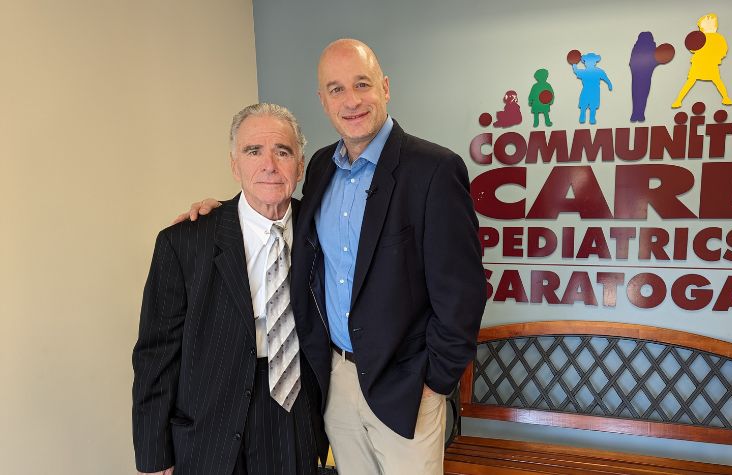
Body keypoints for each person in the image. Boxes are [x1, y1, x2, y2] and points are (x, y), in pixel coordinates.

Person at [179, 39, 487, 475]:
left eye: (362, 84)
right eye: (336, 89)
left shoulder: (433, 169)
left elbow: (463, 293)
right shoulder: (322, 167)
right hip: (336, 378)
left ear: (385, 87)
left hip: (405, 383)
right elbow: (281, 215)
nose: (351, 100)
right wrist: (220, 214)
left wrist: (435, 381)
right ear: (323, 101)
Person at [133, 103, 327, 475]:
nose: (269, 165)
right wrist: (153, 453)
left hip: (295, 413)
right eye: (253, 151)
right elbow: (155, 355)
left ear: (300, 165)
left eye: (282, 151)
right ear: (234, 165)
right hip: (209, 422)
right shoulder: (184, 242)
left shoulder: (323, 232)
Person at [672, 13, 732, 108]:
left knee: (714, 80)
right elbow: (693, 48)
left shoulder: (717, 38)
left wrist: (718, 57)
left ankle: (725, 97)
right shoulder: (703, 37)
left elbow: (723, 49)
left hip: (707, 64)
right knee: (712, 80)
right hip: (701, 64)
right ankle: (678, 100)